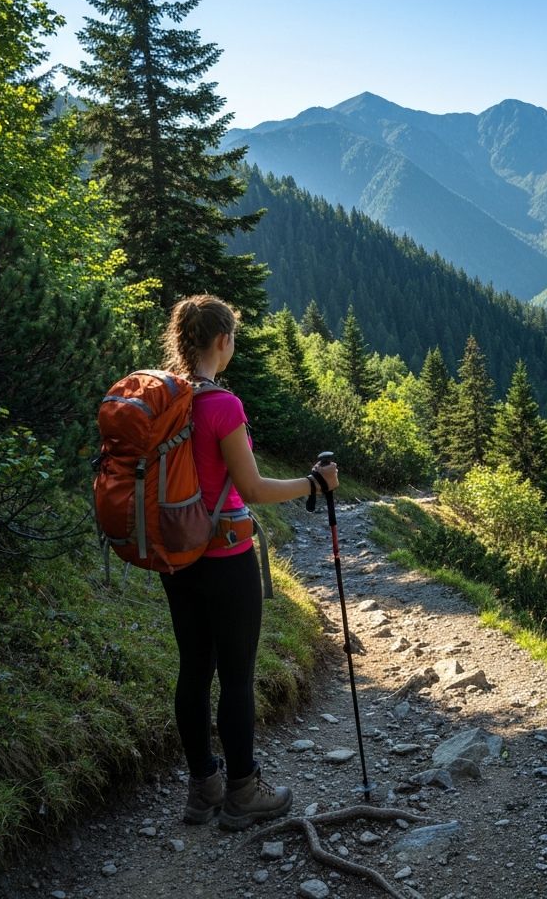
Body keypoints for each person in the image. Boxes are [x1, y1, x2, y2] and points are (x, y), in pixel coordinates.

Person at [159, 294, 338, 831]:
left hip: (177, 554)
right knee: (237, 676)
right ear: (222, 341)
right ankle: (242, 791)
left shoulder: (166, 399)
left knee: (194, 669)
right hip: (225, 554)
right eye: (232, 337)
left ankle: (202, 788)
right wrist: (313, 483)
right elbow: (253, 488)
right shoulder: (222, 406)